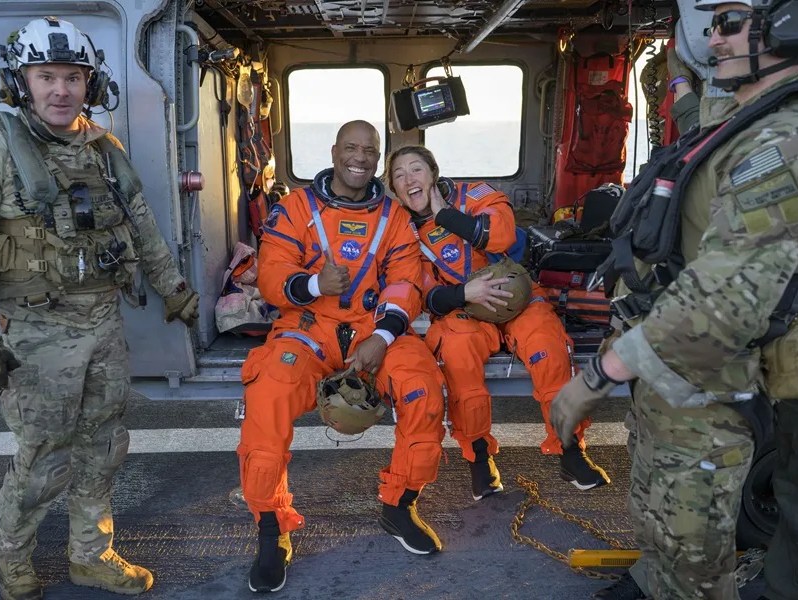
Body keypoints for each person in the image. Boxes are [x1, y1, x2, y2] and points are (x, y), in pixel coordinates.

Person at [0, 16, 200, 600]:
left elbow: (141, 222)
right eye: (45, 76)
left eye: (73, 78)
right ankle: (13, 557)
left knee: (103, 448)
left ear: (91, 85)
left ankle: (91, 555)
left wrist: (173, 287)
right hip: (34, 333)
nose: (60, 90)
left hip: (102, 324)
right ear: (20, 82)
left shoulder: (105, 150)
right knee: (42, 457)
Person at [550, 0, 798, 597]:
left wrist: (599, 374)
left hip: (729, 361)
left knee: (698, 522)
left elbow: (726, 294)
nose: (713, 40)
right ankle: (656, 580)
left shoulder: (780, 143)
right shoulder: (739, 115)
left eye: (729, 26)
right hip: (695, 364)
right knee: (670, 501)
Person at [237, 120, 448, 593]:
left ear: (378, 158)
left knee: (422, 386)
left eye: (369, 151)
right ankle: (272, 530)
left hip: (374, 332)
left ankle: (399, 506)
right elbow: (272, 276)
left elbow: (405, 283)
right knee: (269, 391)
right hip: (308, 328)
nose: (360, 157)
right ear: (334, 151)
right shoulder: (295, 209)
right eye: (350, 148)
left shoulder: (393, 218)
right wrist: (313, 285)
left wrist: (385, 338)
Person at [385, 146, 610, 493]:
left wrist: (444, 215)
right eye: (399, 175)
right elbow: (418, 293)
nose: (409, 179)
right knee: (457, 351)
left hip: (513, 293)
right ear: (394, 189)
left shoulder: (473, 195)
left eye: (416, 169)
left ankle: (569, 448)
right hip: (462, 308)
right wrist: (464, 295)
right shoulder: (401, 232)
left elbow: (502, 234)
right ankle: (478, 455)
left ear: (433, 172)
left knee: (546, 344)